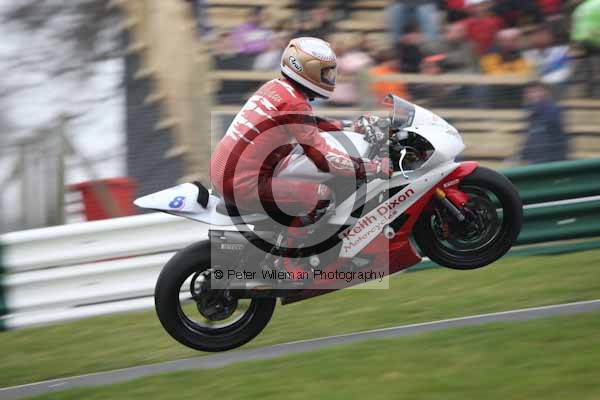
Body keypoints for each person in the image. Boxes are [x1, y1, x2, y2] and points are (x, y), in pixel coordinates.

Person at [210, 37, 393, 219]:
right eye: (325, 72)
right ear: (308, 71)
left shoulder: (276, 86)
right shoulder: (295, 103)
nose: (330, 78)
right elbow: (324, 158)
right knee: (321, 196)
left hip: (225, 168)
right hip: (242, 183)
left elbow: (307, 124)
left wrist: (354, 126)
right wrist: (373, 167)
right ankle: (294, 238)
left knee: (300, 157)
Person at [519, 81, 568, 164]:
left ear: (543, 92)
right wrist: (523, 154)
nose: (532, 95)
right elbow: (530, 136)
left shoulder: (551, 109)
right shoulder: (530, 111)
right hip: (537, 158)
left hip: (551, 158)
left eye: (535, 91)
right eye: (529, 92)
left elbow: (553, 134)